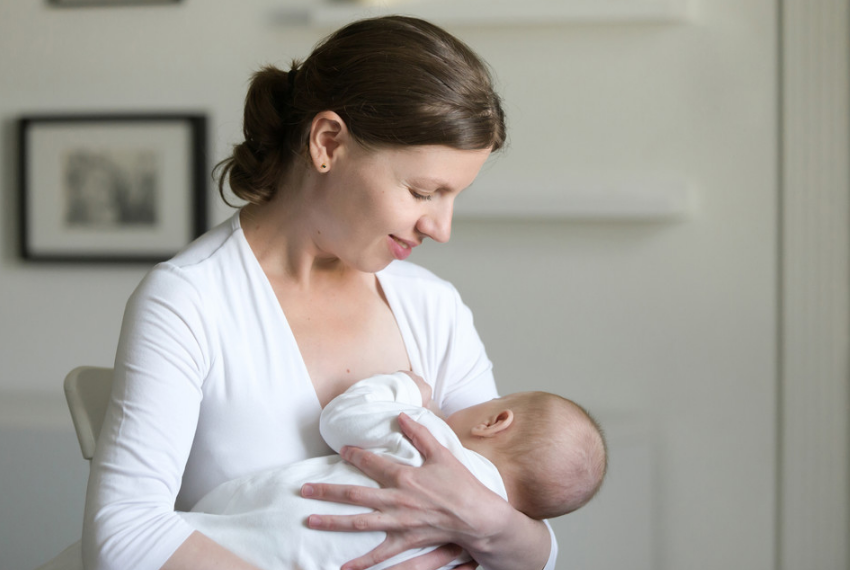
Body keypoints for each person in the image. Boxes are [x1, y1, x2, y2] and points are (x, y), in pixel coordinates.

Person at [83, 15, 560, 570]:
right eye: (422, 191)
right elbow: (124, 538)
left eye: (453, 197)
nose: (441, 228)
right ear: (328, 142)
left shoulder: (433, 309)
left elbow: (530, 542)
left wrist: (489, 524)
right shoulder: (190, 302)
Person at [180, 371, 607, 570]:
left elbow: (343, 416)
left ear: (495, 423)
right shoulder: (473, 553)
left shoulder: (431, 438)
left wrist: (407, 388)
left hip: (235, 539)